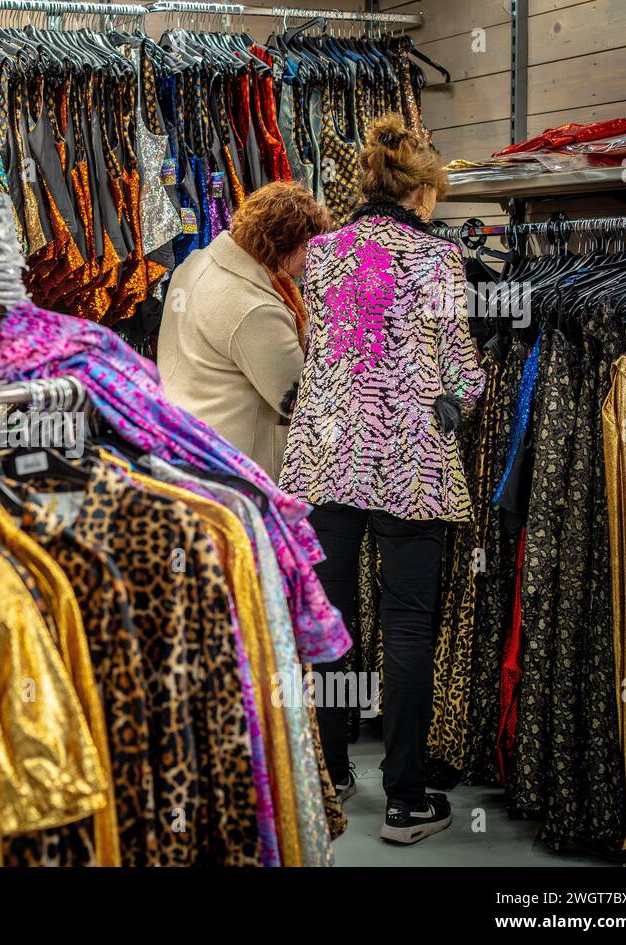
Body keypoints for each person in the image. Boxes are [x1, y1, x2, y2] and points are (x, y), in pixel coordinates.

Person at [278, 114, 485, 845]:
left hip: (329, 456)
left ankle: (331, 771)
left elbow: (322, 349)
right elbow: (460, 365)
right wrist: (460, 398)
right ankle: (404, 797)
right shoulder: (439, 259)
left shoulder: (324, 253)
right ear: (423, 192)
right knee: (405, 624)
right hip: (407, 462)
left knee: (334, 620)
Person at [157, 181, 332, 479]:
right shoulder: (256, 308)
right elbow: (299, 398)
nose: (313, 255)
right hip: (233, 462)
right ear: (281, 242)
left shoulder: (195, 265)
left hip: (182, 438)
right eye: (306, 245)